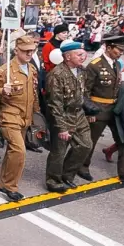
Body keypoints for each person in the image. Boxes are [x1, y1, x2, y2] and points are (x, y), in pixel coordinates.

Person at [78, 34, 124, 182]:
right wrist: (89, 111)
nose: (121, 53)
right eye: (118, 49)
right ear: (109, 48)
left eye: (123, 50)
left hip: (114, 109)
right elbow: (85, 91)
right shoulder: (95, 65)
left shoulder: (115, 64)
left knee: (123, 139)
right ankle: (82, 167)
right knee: (90, 141)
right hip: (98, 109)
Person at [0, 35, 40, 200]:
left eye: (32, 51)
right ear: (16, 50)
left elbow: (33, 94)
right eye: (26, 51)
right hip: (8, 116)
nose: (29, 54)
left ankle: (5, 184)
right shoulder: (5, 71)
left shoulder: (32, 69)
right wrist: (1, 91)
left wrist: (36, 115)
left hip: (24, 117)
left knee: (12, 152)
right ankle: (10, 187)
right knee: (19, 151)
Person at [44, 41, 92, 192]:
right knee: (59, 151)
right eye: (79, 54)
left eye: (83, 54)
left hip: (79, 114)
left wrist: (89, 112)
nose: (83, 57)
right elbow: (54, 103)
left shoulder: (81, 71)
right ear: (67, 56)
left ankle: (67, 175)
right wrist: (62, 127)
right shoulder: (56, 75)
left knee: (85, 145)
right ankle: (53, 181)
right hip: (63, 115)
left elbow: (84, 94)